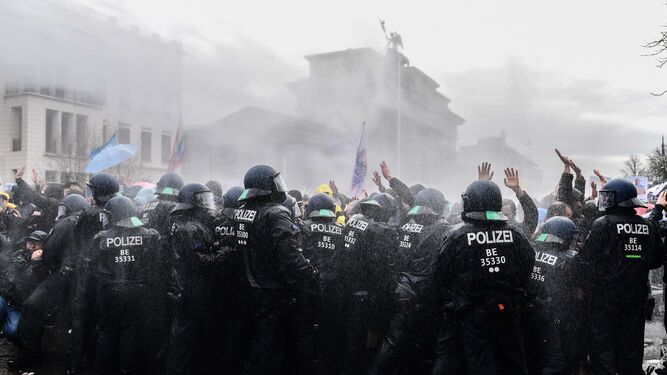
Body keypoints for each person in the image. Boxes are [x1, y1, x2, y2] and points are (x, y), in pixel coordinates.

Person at [429, 180, 535, 375]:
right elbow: (529, 261)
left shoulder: (458, 235)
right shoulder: (513, 233)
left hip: (473, 312)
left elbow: (440, 275)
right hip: (508, 309)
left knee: (481, 365)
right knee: (514, 362)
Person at [234, 165, 319, 375]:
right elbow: (291, 258)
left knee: (255, 344)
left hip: (251, 288)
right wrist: (312, 274)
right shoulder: (277, 213)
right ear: (266, 185)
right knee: (271, 349)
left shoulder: (242, 213)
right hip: (273, 291)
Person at [580, 178, 664, 374]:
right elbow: (657, 260)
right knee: (631, 351)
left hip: (605, 302)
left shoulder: (603, 223)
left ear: (616, 199)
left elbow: (586, 260)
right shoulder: (648, 226)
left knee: (604, 350)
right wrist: (634, 262)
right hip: (635, 300)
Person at [370, 188, 451, 375]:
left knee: (394, 344)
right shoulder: (442, 229)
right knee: (402, 345)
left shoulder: (405, 225)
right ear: (437, 206)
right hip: (422, 297)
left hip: (400, 291)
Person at [90, 196, 162, 374]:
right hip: (137, 291)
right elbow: (156, 264)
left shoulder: (100, 238)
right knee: (130, 332)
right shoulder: (150, 235)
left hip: (109, 292)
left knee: (106, 333)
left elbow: (93, 267)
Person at [16, 194, 88, 371]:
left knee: (31, 307)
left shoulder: (65, 223)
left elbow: (50, 252)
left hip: (64, 275)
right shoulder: (93, 218)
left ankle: (29, 360)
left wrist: (42, 261)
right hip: (86, 278)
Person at [166, 183, 225, 375]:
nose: (207, 204)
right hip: (192, 291)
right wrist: (226, 253)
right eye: (202, 199)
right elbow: (202, 261)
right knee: (185, 341)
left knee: (183, 340)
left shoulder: (179, 222)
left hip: (183, 288)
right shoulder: (191, 228)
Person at [341, 192, 399, 375]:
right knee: (362, 346)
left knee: (350, 343)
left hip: (348, 291)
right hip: (366, 295)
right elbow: (380, 268)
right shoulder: (378, 231)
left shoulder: (352, 223)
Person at [70, 173, 119, 373]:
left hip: (87, 273)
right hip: (109, 275)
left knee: (82, 319)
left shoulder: (88, 213)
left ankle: (77, 365)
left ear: (98, 192)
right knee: (105, 322)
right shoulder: (119, 211)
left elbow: (78, 240)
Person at [525, 217, 582, 374]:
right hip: (556, 315)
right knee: (556, 359)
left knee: (534, 357)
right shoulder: (570, 259)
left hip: (529, 312)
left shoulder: (531, 251)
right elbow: (579, 291)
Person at [300, 192, 346, 374]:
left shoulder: (302, 228)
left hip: (307, 289)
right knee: (329, 335)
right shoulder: (342, 231)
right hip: (333, 292)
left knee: (305, 333)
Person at [0, 230, 49, 368]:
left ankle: (24, 351)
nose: (32, 246)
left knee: (13, 331)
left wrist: (35, 264)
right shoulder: (19, 256)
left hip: (23, 307)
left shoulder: (45, 264)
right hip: (7, 299)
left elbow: (31, 282)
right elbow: (8, 275)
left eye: (36, 243)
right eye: (30, 242)